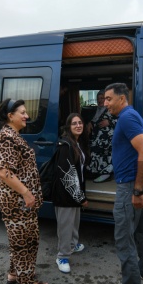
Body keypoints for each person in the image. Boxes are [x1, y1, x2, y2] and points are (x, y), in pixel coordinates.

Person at [103, 82, 143, 284]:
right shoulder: (133, 116)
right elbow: (141, 150)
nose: (105, 104)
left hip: (129, 188)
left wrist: (136, 191)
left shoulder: (126, 118)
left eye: (108, 99)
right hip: (137, 182)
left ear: (122, 99)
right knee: (142, 231)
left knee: (125, 239)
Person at [0, 98, 49, 284]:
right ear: (10, 116)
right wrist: (26, 193)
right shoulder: (7, 137)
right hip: (18, 203)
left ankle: (14, 274)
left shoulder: (12, 135)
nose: (27, 116)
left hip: (20, 202)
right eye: (23, 113)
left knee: (19, 239)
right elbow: (3, 172)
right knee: (26, 241)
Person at [52, 113, 90, 274]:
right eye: (74, 123)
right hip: (65, 194)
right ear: (68, 127)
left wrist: (80, 194)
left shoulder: (76, 143)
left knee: (75, 221)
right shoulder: (65, 146)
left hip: (74, 192)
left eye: (80, 122)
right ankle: (62, 256)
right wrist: (81, 197)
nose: (78, 126)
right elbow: (67, 175)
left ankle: (73, 244)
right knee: (66, 226)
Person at [88, 90, 117, 183]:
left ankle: (106, 174)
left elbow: (122, 121)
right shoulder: (97, 110)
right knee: (94, 154)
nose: (100, 100)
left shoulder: (112, 108)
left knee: (105, 157)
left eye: (102, 98)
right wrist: (89, 123)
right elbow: (94, 120)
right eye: (98, 99)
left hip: (107, 140)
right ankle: (97, 173)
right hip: (97, 138)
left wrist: (110, 122)